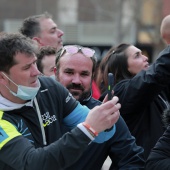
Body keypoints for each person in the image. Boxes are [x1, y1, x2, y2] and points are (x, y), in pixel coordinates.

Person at [0, 33, 121, 170]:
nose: (37, 72)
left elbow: (102, 134)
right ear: (2, 77)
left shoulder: (49, 87)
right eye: (27, 67)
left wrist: (105, 118)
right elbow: (33, 164)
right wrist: (89, 129)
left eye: (34, 63)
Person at [54, 44, 145, 169]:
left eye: (84, 74)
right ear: (56, 72)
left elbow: (132, 160)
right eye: (69, 72)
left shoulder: (105, 114)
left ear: (92, 75)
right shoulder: (38, 106)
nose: (76, 80)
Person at [96, 43, 170, 160]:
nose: (145, 58)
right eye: (137, 56)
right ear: (123, 67)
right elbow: (155, 75)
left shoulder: (155, 92)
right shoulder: (120, 93)